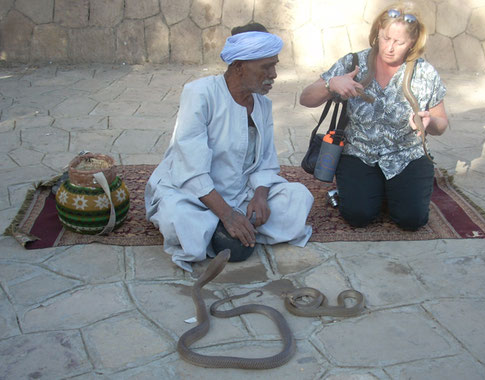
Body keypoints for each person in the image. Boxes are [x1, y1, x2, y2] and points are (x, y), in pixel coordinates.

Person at [145, 24, 314, 272]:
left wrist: (260, 196)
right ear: (239, 66)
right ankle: (226, 227)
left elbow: (266, 161)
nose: (274, 74)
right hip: (193, 191)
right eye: (266, 67)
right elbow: (190, 168)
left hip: (241, 190)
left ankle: (222, 231)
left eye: (275, 65)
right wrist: (227, 214)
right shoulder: (200, 93)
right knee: (178, 218)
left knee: (298, 198)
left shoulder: (262, 104)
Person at [299, 2, 448, 231]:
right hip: (359, 153)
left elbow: (441, 124)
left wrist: (429, 123)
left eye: (399, 42)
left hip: (406, 155)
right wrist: (331, 84)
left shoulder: (425, 73)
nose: (389, 47)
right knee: (358, 216)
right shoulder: (353, 62)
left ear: (413, 43)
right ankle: (372, 191)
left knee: (412, 220)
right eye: (386, 38)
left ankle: (391, 193)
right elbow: (306, 98)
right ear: (378, 31)